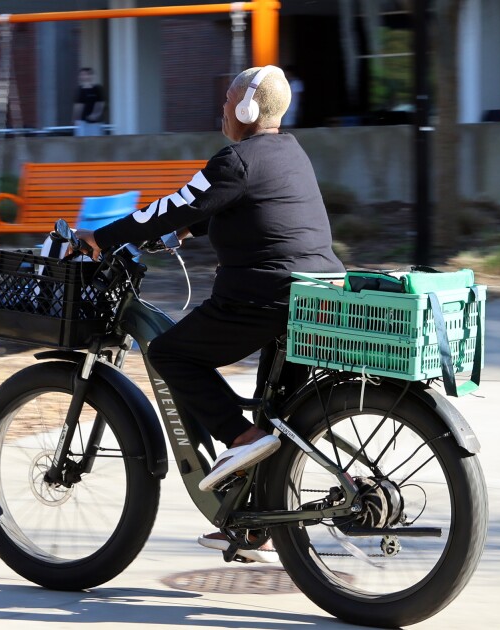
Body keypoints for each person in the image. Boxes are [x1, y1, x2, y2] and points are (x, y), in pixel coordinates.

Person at [74, 65, 345, 561]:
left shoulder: (236, 160)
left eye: (227, 100)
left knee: (171, 353)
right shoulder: (290, 152)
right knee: (276, 417)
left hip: (264, 296)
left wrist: (103, 237)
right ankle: (256, 523)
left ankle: (239, 438)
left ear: (246, 109)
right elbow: (240, 205)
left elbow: (173, 205)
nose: (222, 108)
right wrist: (187, 230)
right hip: (316, 296)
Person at [72, 67, 106, 136]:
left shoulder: (97, 89)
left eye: (87, 74)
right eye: (82, 75)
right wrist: (75, 118)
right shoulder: (79, 90)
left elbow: (100, 103)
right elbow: (78, 105)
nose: (85, 77)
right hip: (82, 122)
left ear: (91, 76)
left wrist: (95, 114)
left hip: (96, 122)